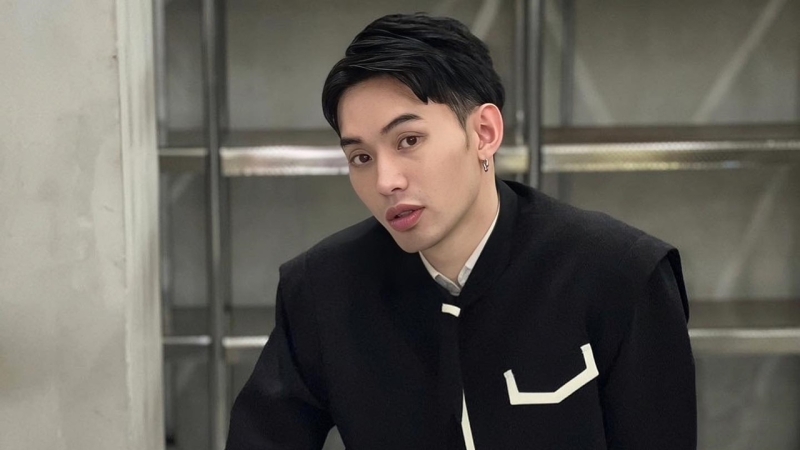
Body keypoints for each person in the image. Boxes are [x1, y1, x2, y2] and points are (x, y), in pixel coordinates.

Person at [226, 13, 696, 450]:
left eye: (408, 140)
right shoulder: (322, 289)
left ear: (485, 133)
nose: (386, 181)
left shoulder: (621, 275)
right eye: (361, 157)